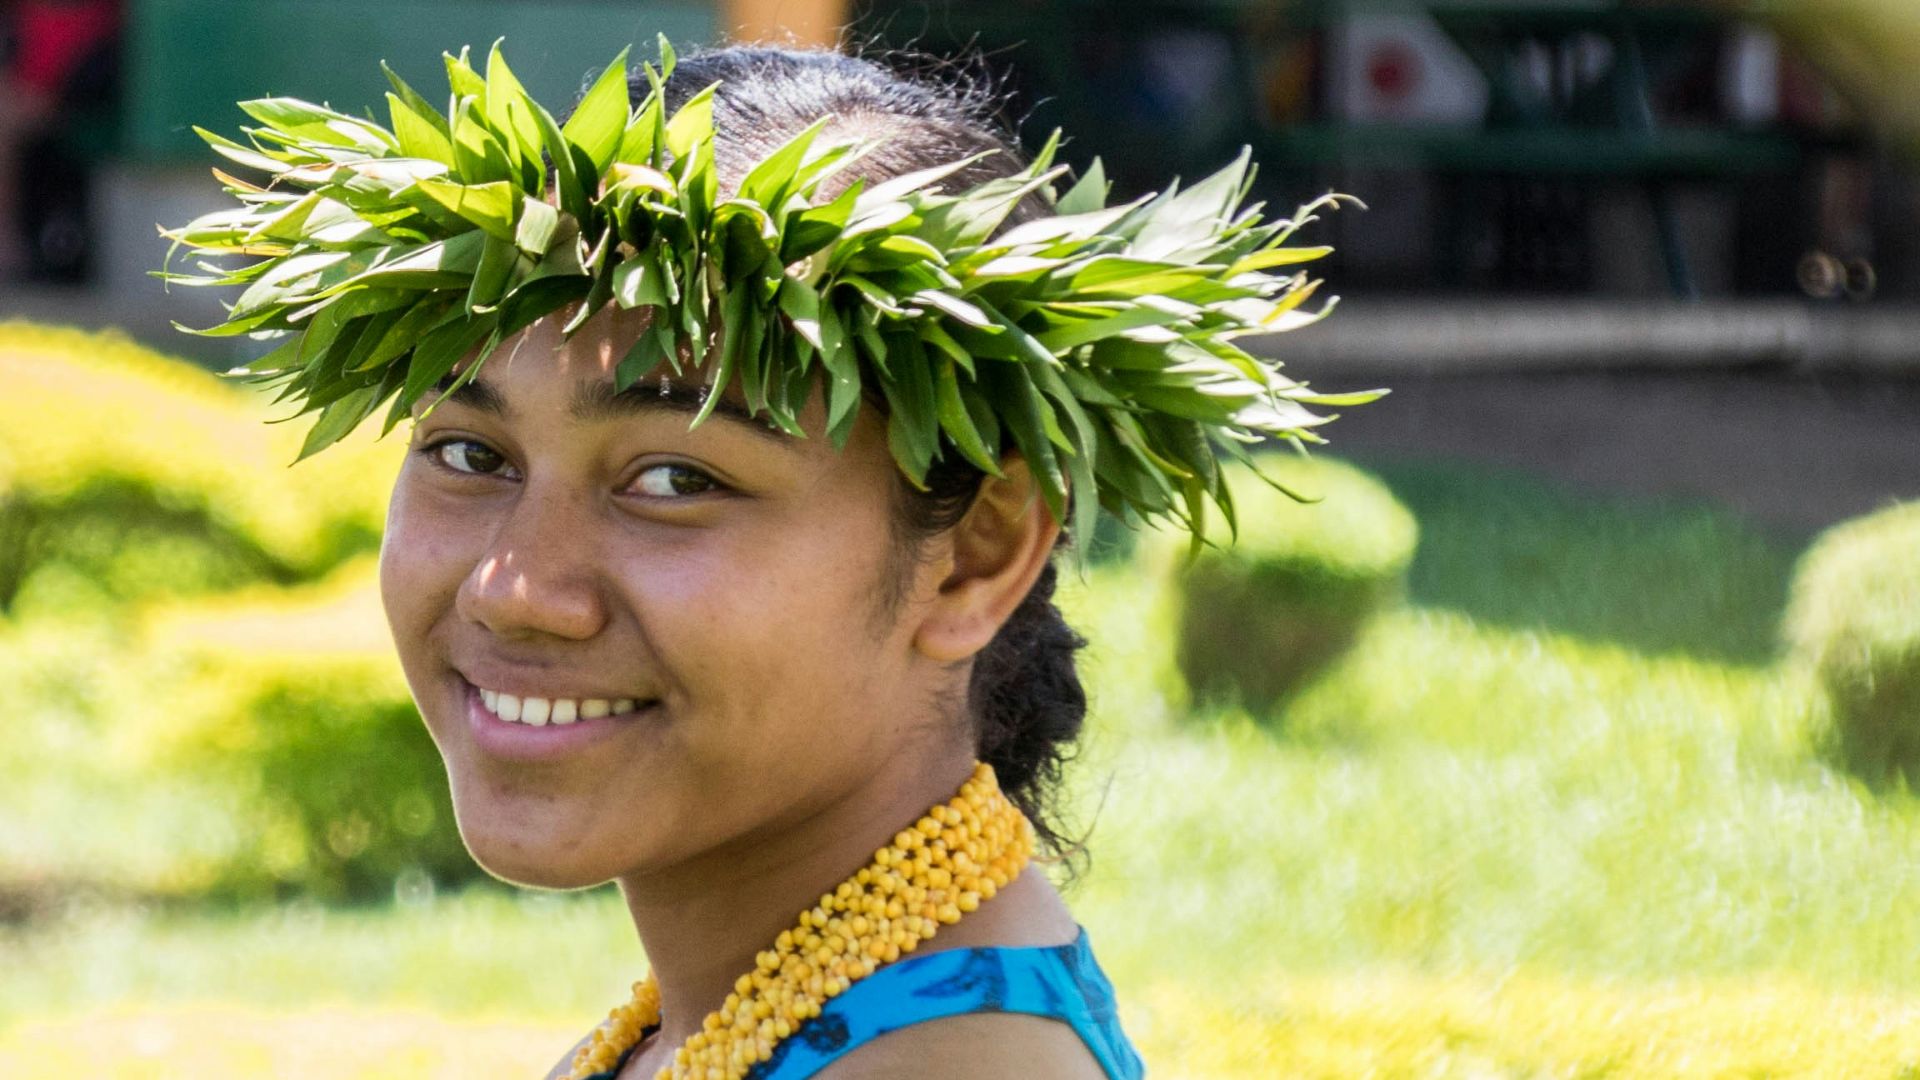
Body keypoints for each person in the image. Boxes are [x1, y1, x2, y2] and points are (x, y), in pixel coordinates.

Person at [167, 36, 1372, 1080]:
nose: (517, 588)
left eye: (676, 480)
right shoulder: (745, 1015)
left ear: (976, 557)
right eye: (472, 453)